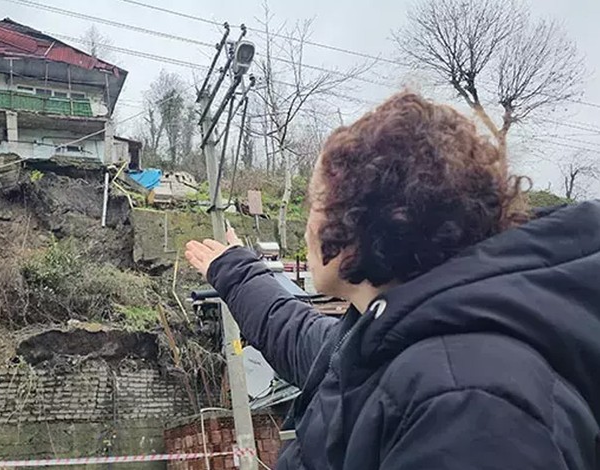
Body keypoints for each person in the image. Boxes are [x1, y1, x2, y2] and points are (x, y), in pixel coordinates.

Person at [185, 91, 600, 469]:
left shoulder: (465, 403)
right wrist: (235, 270)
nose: (306, 226)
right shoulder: (392, 340)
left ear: (359, 218)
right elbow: (297, 333)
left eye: (315, 202)